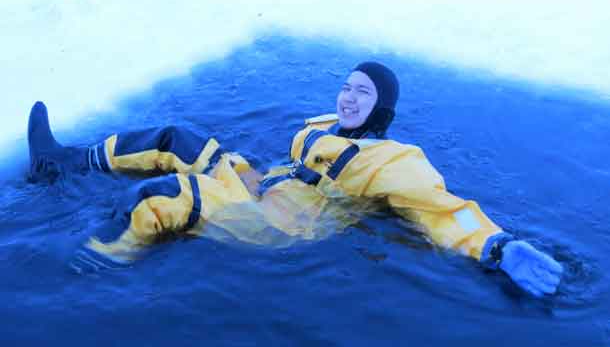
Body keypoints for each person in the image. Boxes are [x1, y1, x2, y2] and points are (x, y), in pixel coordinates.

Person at [27, 62, 563, 297]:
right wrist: (250, 177)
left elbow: (442, 209)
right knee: (176, 138)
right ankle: (64, 162)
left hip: (286, 225)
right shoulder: (324, 127)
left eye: (363, 93)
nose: (349, 97)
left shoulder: (397, 162)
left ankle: (87, 271)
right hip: (263, 186)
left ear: (382, 109)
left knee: (160, 197)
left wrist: (497, 244)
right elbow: (287, 167)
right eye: (347, 86)